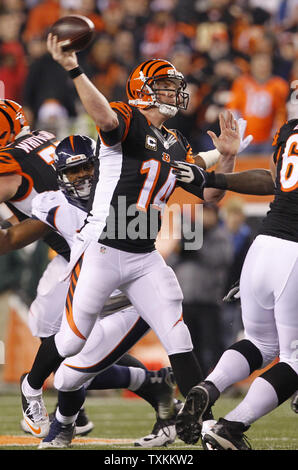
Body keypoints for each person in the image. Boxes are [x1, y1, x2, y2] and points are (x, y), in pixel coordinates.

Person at [20, 34, 243, 445]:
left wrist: (227, 157)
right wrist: (74, 68)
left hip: (144, 254)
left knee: (178, 333)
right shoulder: (126, 117)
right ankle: (32, 386)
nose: (173, 93)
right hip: (104, 248)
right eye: (163, 86)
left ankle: (202, 422)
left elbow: (209, 194)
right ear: (141, 90)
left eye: (173, 86)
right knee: (70, 340)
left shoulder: (174, 140)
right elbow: (103, 117)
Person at [1, 133, 181, 447]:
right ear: (60, 177)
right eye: (72, 172)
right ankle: (85, 411)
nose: (82, 177)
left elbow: (179, 187)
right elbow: (13, 238)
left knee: (70, 367)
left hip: (131, 291)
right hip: (90, 286)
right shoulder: (52, 202)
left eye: (86, 168)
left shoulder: (121, 191)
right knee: (57, 346)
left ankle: (65, 418)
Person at [171, 118, 298, 450]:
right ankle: (229, 426)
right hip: (294, 255)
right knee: (295, 360)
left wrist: (214, 177)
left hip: (264, 245)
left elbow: (272, 180)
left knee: (261, 344)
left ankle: (207, 387)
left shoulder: (291, 128)